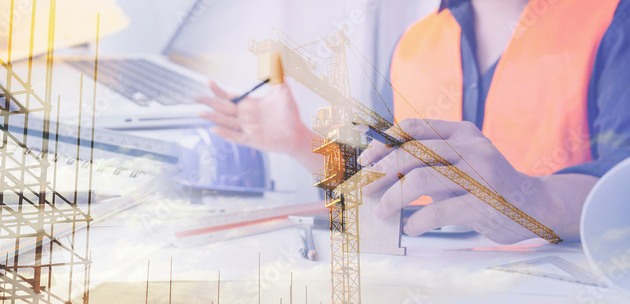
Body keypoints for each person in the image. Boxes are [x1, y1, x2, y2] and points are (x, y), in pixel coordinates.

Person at [196, 0, 630, 244]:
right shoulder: (415, 43)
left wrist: (535, 200)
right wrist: (299, 142)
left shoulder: (613, 18)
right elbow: (375, 175)